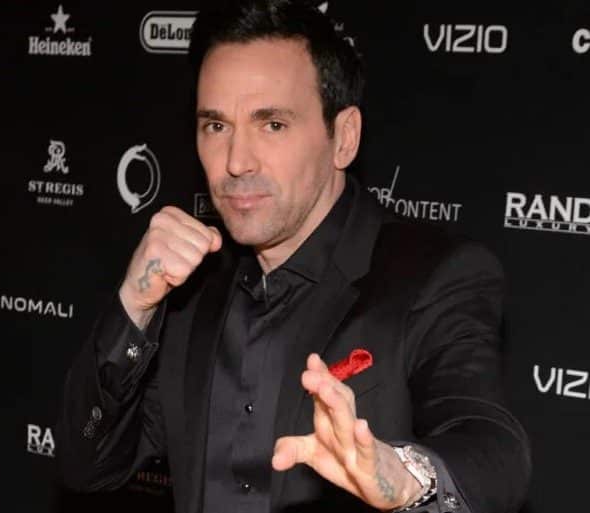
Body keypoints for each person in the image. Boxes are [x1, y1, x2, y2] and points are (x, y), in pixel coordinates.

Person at [56, 1, 531, 512]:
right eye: (216, 126)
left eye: (273, 125)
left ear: (344, 138)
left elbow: (493, 451)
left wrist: (407, 476)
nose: (236, 162)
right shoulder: (191, 286)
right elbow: (87, 464)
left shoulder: (434, 276)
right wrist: (133, 308)